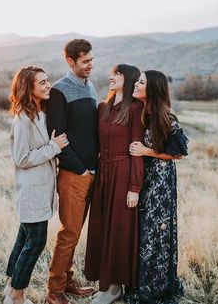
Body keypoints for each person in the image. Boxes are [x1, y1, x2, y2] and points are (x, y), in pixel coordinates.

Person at [3, 66, 68, 304]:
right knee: (35, 243)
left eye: (47, 80)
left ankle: (11, 285)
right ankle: (17, 295)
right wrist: (53, 147)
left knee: (24, 239)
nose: (48, 85)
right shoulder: (22, 119)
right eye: (42, 82)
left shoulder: (41, 114)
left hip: (42, 190)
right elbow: (21, 158)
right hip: (32, 191)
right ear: (28, 88)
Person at [125, 70, 188, 304]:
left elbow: (179, 153)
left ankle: (157, 285)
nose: (136, 84)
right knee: (144, 232)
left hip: (161, 184)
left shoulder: (166, 117)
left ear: (152, 89)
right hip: (146, 179)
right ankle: (142, 280)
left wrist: (145, 151)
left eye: (141, 82)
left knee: (158, 233)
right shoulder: (142, 113)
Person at [84, 64, 145, 304]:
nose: (111, 77)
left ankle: (116, 288)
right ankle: (105, 284)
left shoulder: (135, 108)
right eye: (112, 74)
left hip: (124, 173)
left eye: (117, 74)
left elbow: (137, 150)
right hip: (103, 173)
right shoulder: (102, 107)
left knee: (118, 229)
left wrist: (135, 187)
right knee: (101, 226)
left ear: (127, 79)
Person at [45, 39, 98, 304]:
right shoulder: (58, 91)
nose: (90, 65)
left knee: (76, 231)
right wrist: (81, 169)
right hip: (73, 174)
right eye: (85, 61)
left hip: (92, 172)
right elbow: (56, 136)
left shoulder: (91, 87)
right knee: (69, 232)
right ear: (70, 61)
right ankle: (54, 289)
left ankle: (67, 280)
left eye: (91, 59)